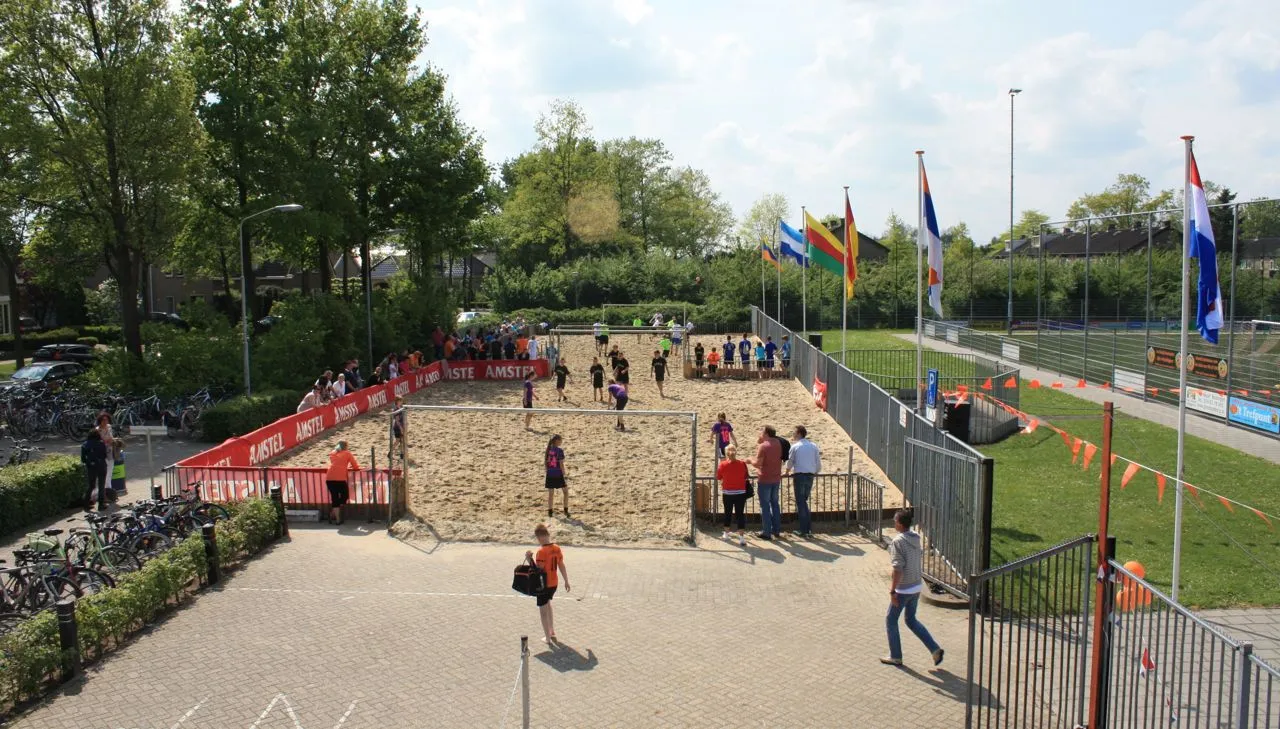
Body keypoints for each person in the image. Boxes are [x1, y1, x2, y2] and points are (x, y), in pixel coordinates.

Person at [883, 508, 944, 667]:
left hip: (903, 589)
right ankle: (934, 649)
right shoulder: (916, 537)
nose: (894, 523)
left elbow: (898, 568)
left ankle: (895, 656)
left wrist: (893, 591)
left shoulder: (897, 542)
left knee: (890, 620)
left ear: (900, 524)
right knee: (911, 620)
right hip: (916, 586)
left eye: (895, 521)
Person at [525, 524, 570, 645]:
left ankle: (547, 637)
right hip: (554, 583)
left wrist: (529, 560)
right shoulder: (556, 548)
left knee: (543, 611)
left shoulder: (541, 551)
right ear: (548, 535)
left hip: (543, 584)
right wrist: (566, 580)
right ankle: (552, 630)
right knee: (548, 604)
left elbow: (539, 570)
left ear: (538, 538)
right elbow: (561, 564)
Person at [785, 425, 821, 537]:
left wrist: (786, 472)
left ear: (799, 433)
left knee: (801, 502)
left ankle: (804, 530)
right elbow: (818, 462)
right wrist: (815, 472)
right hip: (810, 475)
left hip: (800, 476)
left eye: (794, 432)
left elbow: (790, 461)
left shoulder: (796, 446)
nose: (793, 434)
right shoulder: (813, 446)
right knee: (804, 501)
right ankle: (807, 529)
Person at [747, 425, 783, 540]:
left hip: (765, 479)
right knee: (775, 504)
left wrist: (750, 460)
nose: (760, 433)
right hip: (776, 478)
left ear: (766, 433)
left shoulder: (763, 446)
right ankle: (776, 530)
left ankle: (767, 532)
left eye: (762, 431)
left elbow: (758, 463)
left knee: (765, 506)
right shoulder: (778, 443)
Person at [717, 444, 749, 545]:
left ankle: (726, 534)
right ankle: (741, 538)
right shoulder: (742, 464)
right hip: (740, 492)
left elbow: (718, 477)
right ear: (736, 452)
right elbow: (746, 476)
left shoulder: (722, 464)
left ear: (726, 454)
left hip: (727, 492)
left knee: (728, 513)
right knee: (740, 514)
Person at [325, 441, 360, 525]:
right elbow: (355, 466)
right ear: (346, 446)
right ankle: (337, 519)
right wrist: (350, 467)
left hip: (330, 478)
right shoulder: (347, 453)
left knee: (335, 498)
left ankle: (334, 514)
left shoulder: (333, 452)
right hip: (340, 478)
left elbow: (335, 463)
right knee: (345, 496)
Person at [80, 429, 109, 511]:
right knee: (101, 485)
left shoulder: (85, 444)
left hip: (91, 467)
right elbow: (104, 455)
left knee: (91, 485)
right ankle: (101, 505)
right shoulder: (101, 443)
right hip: (101, 466)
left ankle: (86, 504)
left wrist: (90, 463)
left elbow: (83, 459)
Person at [544, 435, 570, 518]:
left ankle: (550, 512)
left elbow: (546, 463)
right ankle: (566, 510)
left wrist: (548, 471)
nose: (561, 442)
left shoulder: (548, 450)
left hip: (550, 473)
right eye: (561, 440)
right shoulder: (559, 450)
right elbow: (561, 464)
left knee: (551, 494)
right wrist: (564, 474)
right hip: (558, 473)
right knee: (565, 492)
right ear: (557, 441)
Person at [390, 395, 406, 460]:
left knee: (402, 440)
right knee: (397, 441)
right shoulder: (396, 409)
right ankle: (390, 453)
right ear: (397, 401)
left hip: (400, 426)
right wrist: (401, 428)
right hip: (397, 427)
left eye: (402, 400)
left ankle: (402, 455)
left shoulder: (400, 407)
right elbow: (397, 420)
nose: (402, 402)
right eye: (400, 401)